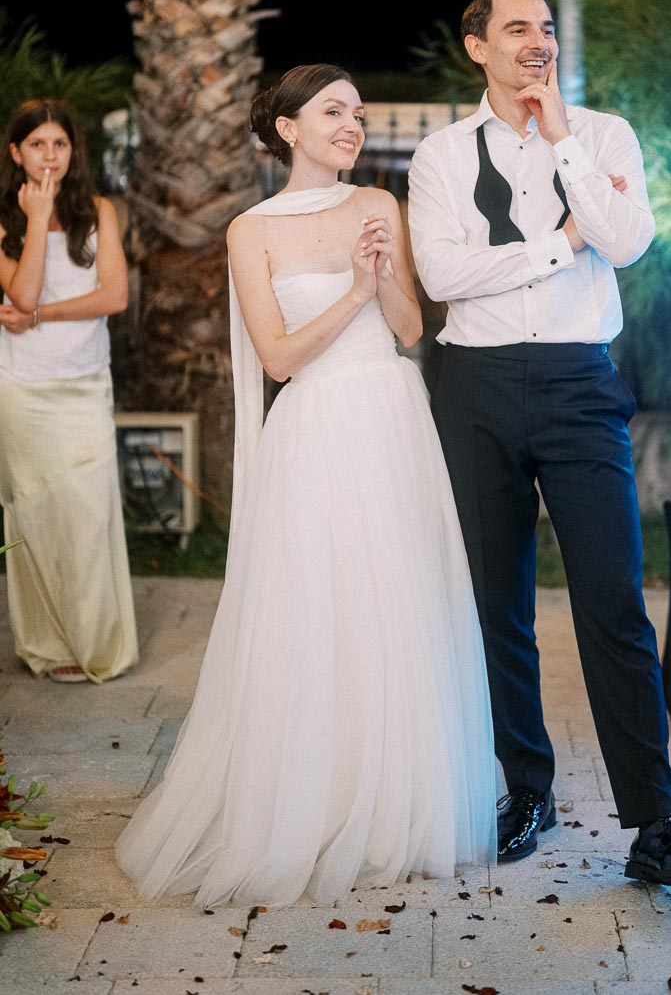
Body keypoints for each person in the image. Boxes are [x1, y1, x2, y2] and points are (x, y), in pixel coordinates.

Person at [115, 63, 496, 908]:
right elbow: (279, 358)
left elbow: (409, 330)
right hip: (316, 425)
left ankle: (399, 804)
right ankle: (313, 800)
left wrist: (382, 274)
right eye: (333, 111)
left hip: (390, 416)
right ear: (288, 129)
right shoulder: (250, 230)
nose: (351, 124)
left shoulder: (379, 204)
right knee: (318, 606)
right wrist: (352, 290)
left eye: (356, 112)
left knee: (397, 601)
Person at [407, 0, 671, 890]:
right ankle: (526, 788)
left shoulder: (603, 135)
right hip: (475, 386)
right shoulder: (439, 156)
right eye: (516, 29)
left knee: (614, 600)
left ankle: (655, 824)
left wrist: (565, 146)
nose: (537, 41)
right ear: (478, 47)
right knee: (496, 603)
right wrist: (562, 242)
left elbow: (627, 240)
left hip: (582, 382)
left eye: (544, 27)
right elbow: (443, 278)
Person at [0, 98, 138, 684]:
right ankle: (49, 643)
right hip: (23, 390)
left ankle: (96, 643)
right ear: (16, 153)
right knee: (35, 517)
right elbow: (22, 292)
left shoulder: (99, 211)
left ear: (73, 151)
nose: (50, 156)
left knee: (87, 516)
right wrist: (36, 218)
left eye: (60, 144)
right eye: (37, 145)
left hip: (84, 385)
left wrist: (40, 317)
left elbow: (114, 297)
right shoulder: (5, 219)